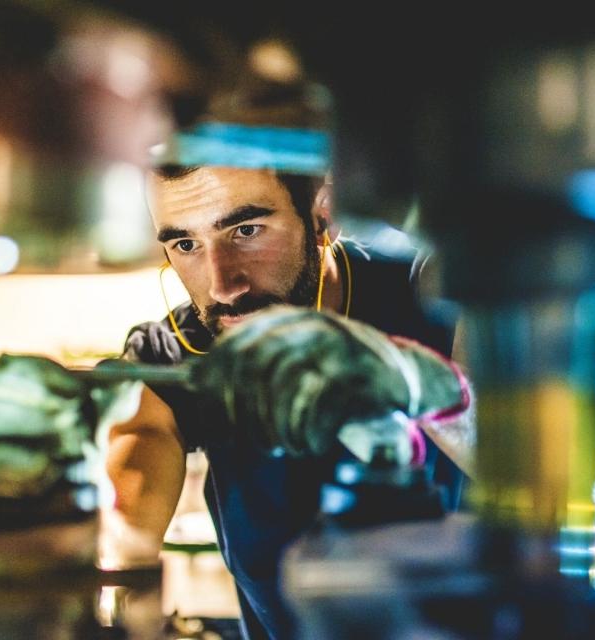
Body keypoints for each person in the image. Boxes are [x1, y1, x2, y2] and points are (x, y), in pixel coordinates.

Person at [107, 162, 475, 639]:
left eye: (246, 229)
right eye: (185, 244)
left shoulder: (435, 297)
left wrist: (418, 382)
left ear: (322, 211)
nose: (222, 285)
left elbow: (534, 465)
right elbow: (129, 487)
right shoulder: (182, 353)